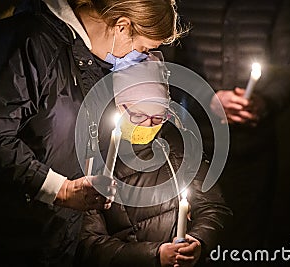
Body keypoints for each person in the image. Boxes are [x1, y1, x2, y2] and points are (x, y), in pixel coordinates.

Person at [0, 0, 182, 266]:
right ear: (121, 27)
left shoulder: (85, 60)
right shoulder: (26, 42)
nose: (137, 59)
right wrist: (59, 189)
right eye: (141, 49)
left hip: (51, 244)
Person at [166, 0, 290, 260]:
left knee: (245, 243)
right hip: (193, 148)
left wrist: (263, 102)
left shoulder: (278, 5)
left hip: (251, 152)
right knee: (185, 241)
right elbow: (166, 67)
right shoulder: (180, 3)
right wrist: (208, 99)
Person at [74, 52, 231, 267]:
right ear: (118, 106)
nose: (149, 124)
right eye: (138, 115)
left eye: (158, 116)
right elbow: (87, 243)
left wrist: (198, 241)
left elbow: (213, 206)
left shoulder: (178, 142)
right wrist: (154, 255)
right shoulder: (93, 156)